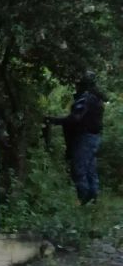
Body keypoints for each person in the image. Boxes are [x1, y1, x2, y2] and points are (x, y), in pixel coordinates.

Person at [46, 72, 106, 204]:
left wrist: (55, 120)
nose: (76, 86)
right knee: (90, 169)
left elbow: (75, 118)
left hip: (85, 137)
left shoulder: (87, 98)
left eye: (78, 84)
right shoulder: (96, 98)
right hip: (94, 137)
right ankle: (93, 201)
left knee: (79, 169)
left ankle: (84, 201)